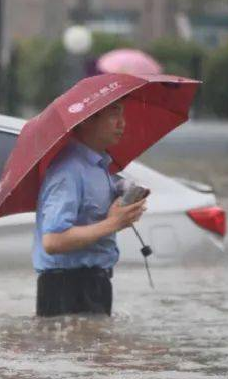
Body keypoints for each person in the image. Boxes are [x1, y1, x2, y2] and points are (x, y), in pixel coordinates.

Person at [33, 99, 148, 317]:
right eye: (114, 115)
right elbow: (52, 241)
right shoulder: (67, 171)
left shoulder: (100, 167)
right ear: (86, 120)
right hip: (66, 287)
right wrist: (113, 223)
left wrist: (123, 204)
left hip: (96, 282)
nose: (122, 123)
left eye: (122, 114)